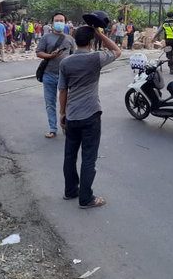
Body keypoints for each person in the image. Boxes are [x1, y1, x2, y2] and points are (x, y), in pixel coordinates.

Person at [58, 25, 121, 209]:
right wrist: (100, 34)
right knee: (88, 158)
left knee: (69, 155)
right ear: (91, 41)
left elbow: (62, 90)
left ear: (75, 40)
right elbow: (117, 50)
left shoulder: (65, 62)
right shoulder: (96, 58)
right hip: (91, 115)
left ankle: (70, 191)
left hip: (72, 115)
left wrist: (63, 113)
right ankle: (86, 199)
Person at [36, 13, 76, 138]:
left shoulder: (70, 39)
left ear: (65, 22)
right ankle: (53, 129)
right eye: (57, 20)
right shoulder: (46, 38)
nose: (59, 22)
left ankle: (66, 125)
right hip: (49, 75)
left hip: (65, 76)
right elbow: (38, 53)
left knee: (67, 103)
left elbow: (74, 56)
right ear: (52, 22)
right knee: (50, 103)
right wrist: (50, 56)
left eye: (61, 20)